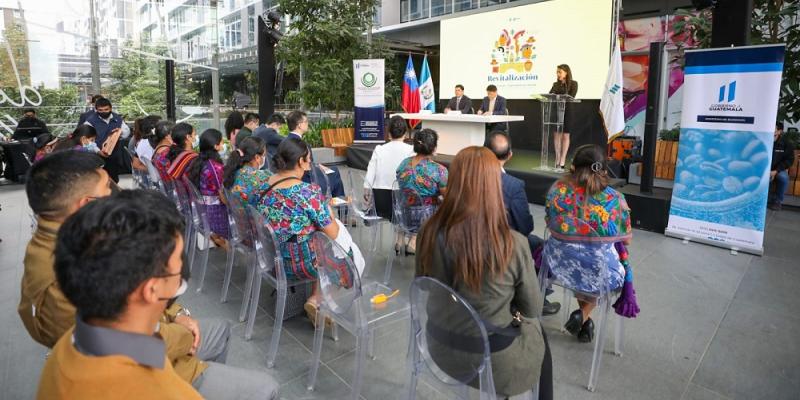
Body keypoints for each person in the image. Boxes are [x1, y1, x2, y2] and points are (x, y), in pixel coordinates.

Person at [38, 189, 280, 399]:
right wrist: (183, 338)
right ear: (151, 289)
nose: (183, 272)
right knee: (268, 388)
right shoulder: (156, 390)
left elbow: (154, 349)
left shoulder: (81, 337)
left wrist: (176, 318)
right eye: (178, 263)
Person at [18, 151, 232, 387]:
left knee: (221, 329)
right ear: (86, 204)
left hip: (154, 332)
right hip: (149, 371)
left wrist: (178, 313)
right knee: (263, 388)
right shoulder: (65, 279)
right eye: (107, 188)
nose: (114, 194)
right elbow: (140, 346)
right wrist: (186, 334)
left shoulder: (66, 240)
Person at [415, 146, 549, 399]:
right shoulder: (514, 243)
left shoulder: (428, 231)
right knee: (539, 339)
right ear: (493, 185)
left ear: (453, 180)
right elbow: (533, 309)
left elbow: (423, 285)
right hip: (492, 359)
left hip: (439, 345)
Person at [542, 145, 633, 343]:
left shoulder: (557, 191)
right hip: (601, 272)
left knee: (578, 259)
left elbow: (549, 224)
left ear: (573, 167)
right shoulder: (616, 199)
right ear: (603, 169)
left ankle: (585, 321)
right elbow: (626, 239)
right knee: (595, 264)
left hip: (559, 265)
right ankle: (583, 316)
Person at [260, 137, 340, 323]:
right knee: (343, 251)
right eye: (309, 159)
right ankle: (318, 299)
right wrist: (328, 211)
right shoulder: (308, 192)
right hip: (300, 265)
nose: (310, 162)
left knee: (309, 236)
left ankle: (315, 297)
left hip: (272, 258)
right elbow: (333, 232)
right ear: (300, 162)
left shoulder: (265, 184)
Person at [485, 131, 560, 316]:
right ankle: (535, 299)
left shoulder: (466, 177)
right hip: (502, 245)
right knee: (538, 247)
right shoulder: (513, 185)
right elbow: (525, 227)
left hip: (471, 239)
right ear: (510, 155)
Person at [396, 128, 448, 254]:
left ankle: (401, 236)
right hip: (425, 216)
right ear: (434, 148)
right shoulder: (439, 170)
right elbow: (448, 197)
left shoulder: (403, 164)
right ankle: (415, 238)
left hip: (402, 214)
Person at [285, 110, 346, 198]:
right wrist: (316, 167)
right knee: (335, 172)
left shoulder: (285, 141)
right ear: (299, 125)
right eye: (306, 121)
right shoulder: (301, 144)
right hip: (307, 179)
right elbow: (306, 165)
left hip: (293, 176)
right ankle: (341, 206)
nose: (307, 124)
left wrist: (317, 165)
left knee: (331, 170)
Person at [364, 115, 414, 219]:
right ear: (405, 133)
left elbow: (369, 179)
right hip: (402, 203)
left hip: (380, 203)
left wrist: (367, 195)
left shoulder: (379, 149)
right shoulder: (411, 150)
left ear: (389, 133)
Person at [188, 128, 229, 240]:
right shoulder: (215, 167)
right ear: (216, 146)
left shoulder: (198, 161)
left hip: (202, 210)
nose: (223, 144)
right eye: (221, 142)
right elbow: (221, 193)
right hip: (215, 213)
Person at [83, 97, 127, 182]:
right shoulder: (90, 121)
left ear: (110, 108)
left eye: (106, 109)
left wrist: (119, 132)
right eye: (100, 110)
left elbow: (126, 133)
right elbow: (86, 141)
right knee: (99, 181)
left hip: (113, 155)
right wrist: (98, 151)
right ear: (96, 110)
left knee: (113, 180)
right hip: (96, 156)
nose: (103, 112)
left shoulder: (117, 119)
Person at [223, 136, 272, 207]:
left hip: (235, 216)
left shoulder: (233, 170)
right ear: (257, 157)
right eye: (264, 155)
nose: (265, 158)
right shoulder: (264, 176)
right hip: (252, 217)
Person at [549, 64, 578, 170]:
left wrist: (562, 91)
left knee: (565, 136)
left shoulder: (573, 84)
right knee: (557, 135)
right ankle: (557, 159)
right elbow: (550, 95)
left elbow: (572, 96)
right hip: (557, 111)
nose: (558, 74)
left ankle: (562, 160)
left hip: (568, 112)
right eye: (557, 72)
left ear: (566, 72)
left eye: (559, 72)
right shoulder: (556, 84)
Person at [768, 122, 795, 211]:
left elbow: (789, 160)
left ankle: (778, 201)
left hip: (778, 169)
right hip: (764, 168)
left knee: (783, 177)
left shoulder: (786, 144)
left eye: (773, 128)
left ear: (779, 131)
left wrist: (776, 171)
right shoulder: (764, 140)